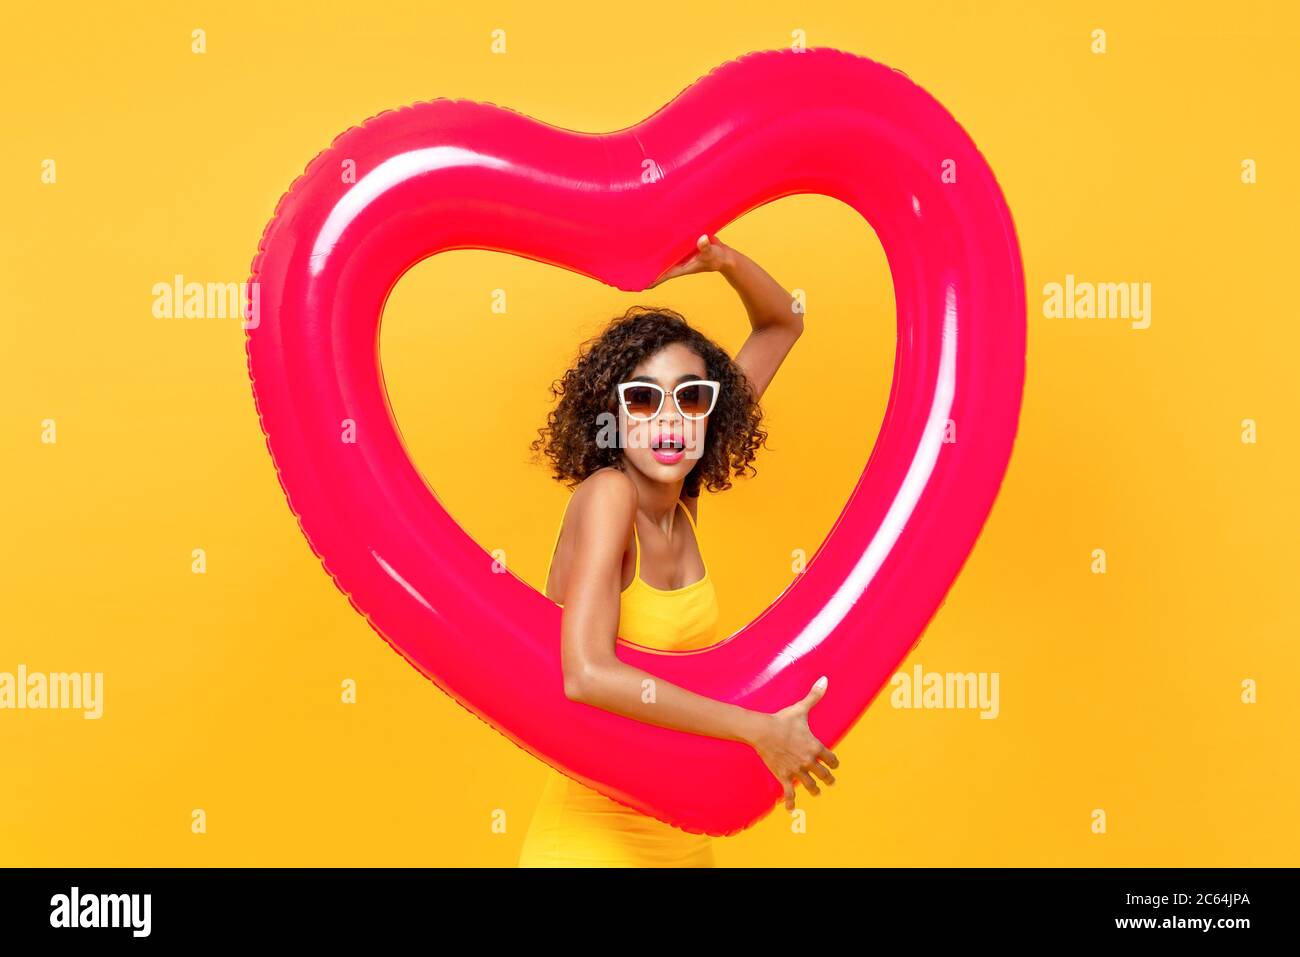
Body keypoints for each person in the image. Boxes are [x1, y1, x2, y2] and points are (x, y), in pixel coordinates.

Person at [518, 234, 839, 867]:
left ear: (711, 414)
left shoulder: (680, 503)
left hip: (682, 842)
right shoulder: (609, 495)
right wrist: (760, 731)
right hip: (594, 846)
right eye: (643, 398)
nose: (669, 418)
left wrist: (717, 258)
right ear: (612, 415)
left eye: (691, 396)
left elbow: (783, 323)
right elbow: (585, 674)